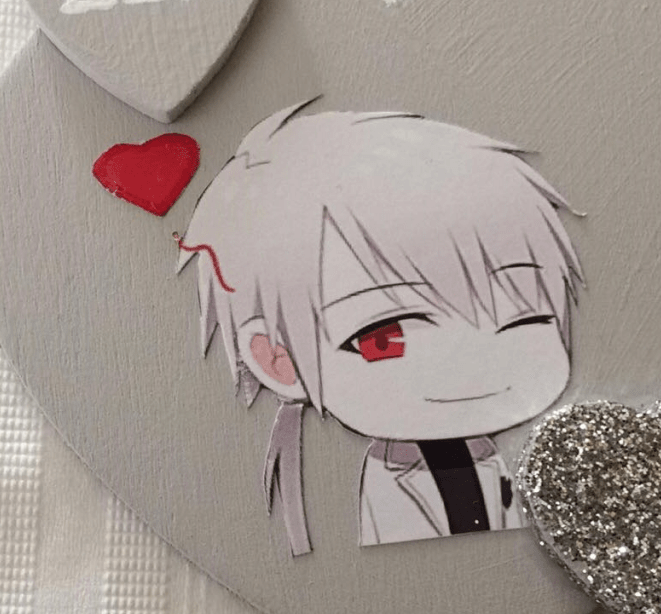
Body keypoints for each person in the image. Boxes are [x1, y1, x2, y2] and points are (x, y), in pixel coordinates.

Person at [177, 100, 582, 553]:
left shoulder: (492, 459)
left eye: (524, 316)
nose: (473, 356)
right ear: (278, 360)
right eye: (386, 338)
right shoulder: (396, 482)